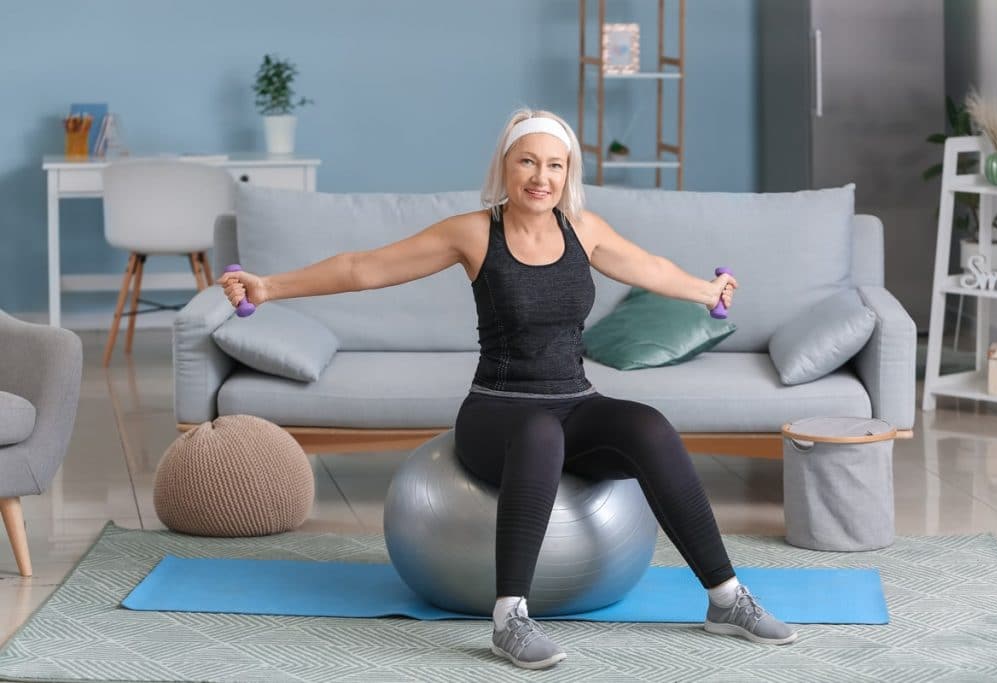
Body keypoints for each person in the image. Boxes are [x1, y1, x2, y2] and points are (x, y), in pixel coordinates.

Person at [219, 108, 797, 670]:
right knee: (541, 433)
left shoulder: (583, 231)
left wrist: (707, 291)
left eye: (555, 165)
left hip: (575, 399)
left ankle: (727, 600)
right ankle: (510, 619)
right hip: (497, 410)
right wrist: (268, 287)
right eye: (527, 162)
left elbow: (651, 267)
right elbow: (362, 268)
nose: (541, 177)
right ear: (505, 166)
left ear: (569, 173)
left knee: (647, 424)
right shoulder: (473, 233)